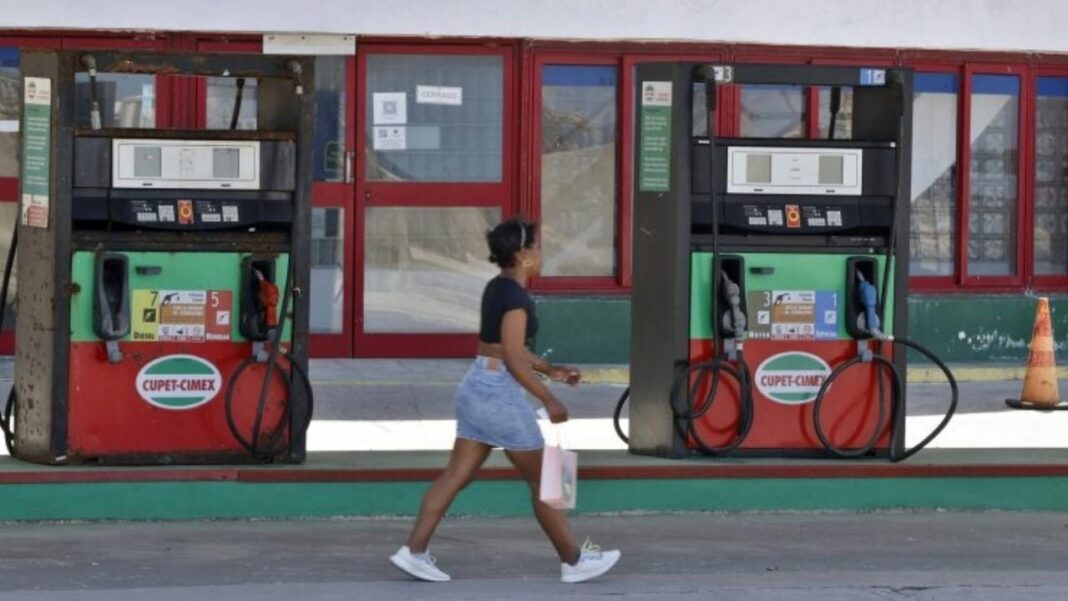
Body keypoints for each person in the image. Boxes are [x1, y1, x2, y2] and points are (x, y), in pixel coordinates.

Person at [389, 217, 621, 584]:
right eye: (538, 248)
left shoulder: (497, 288)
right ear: (523, 255)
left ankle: (413, 552)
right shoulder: (516, 297)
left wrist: (551, 369)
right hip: (498, 394)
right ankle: (575, 561)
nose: (542, 254)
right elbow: (513, 356)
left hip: (477, 387)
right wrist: (550, 399)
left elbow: (500, 347)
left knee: (456, 476)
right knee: (549, 478)